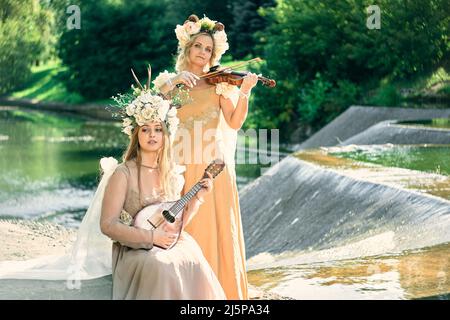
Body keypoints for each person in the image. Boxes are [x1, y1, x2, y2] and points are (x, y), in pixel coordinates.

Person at [152, 14, 258, 299]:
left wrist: (244, 92)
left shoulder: (219, 84)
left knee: (211, 230)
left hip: (212, 170)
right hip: (177, 167)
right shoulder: (167, 81)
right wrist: (173, 84)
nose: (202, 52)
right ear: (187, 47)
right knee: (179, 229)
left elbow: (234, 123)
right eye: (198, 45)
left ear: (214, 54)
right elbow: (151, 117)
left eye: (208, 49)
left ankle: (216, 292)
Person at [100, 84, 226, 299]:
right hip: (135, 249)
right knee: (162, 266)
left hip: (167, 242)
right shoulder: (123, 173)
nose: (152, 135)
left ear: (166, 134)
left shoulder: (172, 172)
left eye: (158, 129)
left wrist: (197, 199)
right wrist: (151, 237)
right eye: (145, 129)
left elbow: (175, 223)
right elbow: (107, 225)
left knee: (194, 257)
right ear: (135, 134)